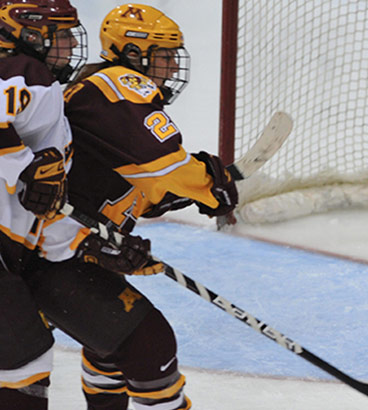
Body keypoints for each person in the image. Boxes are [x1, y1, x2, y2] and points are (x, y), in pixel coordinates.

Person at [26, 4, 237, 410]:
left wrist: (162, 203)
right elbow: (162, 166)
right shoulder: (118, 83)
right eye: (165, 56)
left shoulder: (101, 97)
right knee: (150, 345)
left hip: (56, 252)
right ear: (134, 55)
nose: (174, 67)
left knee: (110, 346)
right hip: (46, 258)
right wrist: (212, 187)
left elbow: (121, 178)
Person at [0, 1, 85, 408]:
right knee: (25, 359)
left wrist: (87, 242)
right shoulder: (24, 72)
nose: (70, 45)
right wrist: (22, 165)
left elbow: (45, 199)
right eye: (63, 35)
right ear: (31, 34)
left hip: (9, 249)